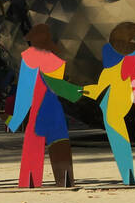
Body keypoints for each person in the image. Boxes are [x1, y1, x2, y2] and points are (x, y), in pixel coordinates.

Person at [83, 21, 135, 185]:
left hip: (120, 90)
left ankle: (128, 176)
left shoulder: (108, 49)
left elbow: (109, 71)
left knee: (119, 133)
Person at [7, 22, 81, 188]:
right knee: (60, 142)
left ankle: (30, 182)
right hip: (54, 108)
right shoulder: (57, 59)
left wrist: (16, 119)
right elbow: (58, 87)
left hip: (37, 108)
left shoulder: (28, 57)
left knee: (33, 146)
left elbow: (25, 92)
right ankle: (65, 180)